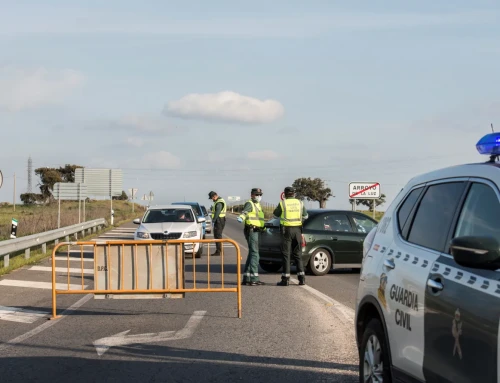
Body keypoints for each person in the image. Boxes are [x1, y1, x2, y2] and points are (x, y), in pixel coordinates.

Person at [272, 186, 308, 286]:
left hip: (286, 230)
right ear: (294, 193)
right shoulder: (300, 203)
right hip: (297, 230)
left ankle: (285, 279)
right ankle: (302, 279)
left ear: (285, 194)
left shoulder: (283, 203)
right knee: (298, 254)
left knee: (286, 255)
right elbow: (305, 216)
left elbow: (275, 215)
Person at [236, 188, 270, 286]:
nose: (258, 196)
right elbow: (244, 212)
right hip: (251, 230)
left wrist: (263, 228)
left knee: (252, 254)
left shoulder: (258, 204)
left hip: (256, 230)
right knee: (255, 254)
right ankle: (254, 278)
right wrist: (241, 218)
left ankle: (247, 278)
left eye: (260, 194)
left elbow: (259, 218)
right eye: (256, 194)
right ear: (252, 195)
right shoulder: (249, 203)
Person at [208, 191, 227, 256]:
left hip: (219, 220)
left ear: (215, 196)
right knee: (217, 235)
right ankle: (219, 250)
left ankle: (219, 251)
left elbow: (218, 211)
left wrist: (214, 220)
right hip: (220, 220)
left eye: (212, 198)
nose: (212, 199)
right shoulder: (218, 201)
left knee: (218, 235)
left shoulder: (219, 202)